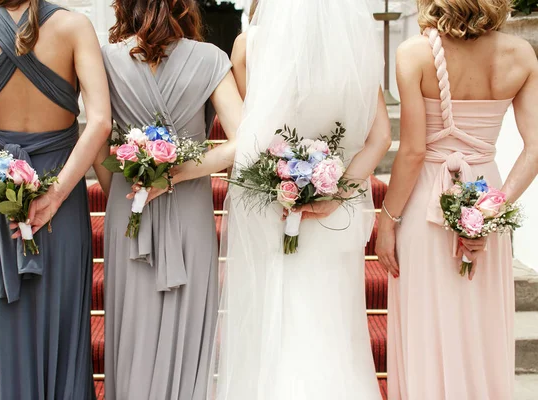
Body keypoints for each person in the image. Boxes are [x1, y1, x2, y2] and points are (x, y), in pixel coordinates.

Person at [208, 0, 391, 399]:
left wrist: (283, 184)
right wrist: (333, 193)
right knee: (331, 324)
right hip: (332, 215)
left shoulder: (247, 45)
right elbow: (381, 138)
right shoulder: (357, 50)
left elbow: (250, 138)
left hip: (273, 208)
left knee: (275, 322)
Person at [0, 0, 111, 398]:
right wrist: (55, 195)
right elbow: (101, 122)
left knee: (6, 322)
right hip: (63, 192)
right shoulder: (75, 27)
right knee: (65, 322)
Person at [376, 0, 538, 398]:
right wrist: (489, 212)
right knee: (480, 322)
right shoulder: (520, 54)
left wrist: (386, 220)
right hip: (487, 193)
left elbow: (413, 152)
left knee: (427, 323)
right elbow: (534, 148)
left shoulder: (413, 53)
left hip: (425, 201)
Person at [93, 0, 243, 398]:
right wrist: (179, 173)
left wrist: (125, 193)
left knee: (131, 327)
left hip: (130, 207)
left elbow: (97, 140)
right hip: (189, 208)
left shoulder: (105, 59)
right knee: (188, 323)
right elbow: (246, 142)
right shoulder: (211, 58)